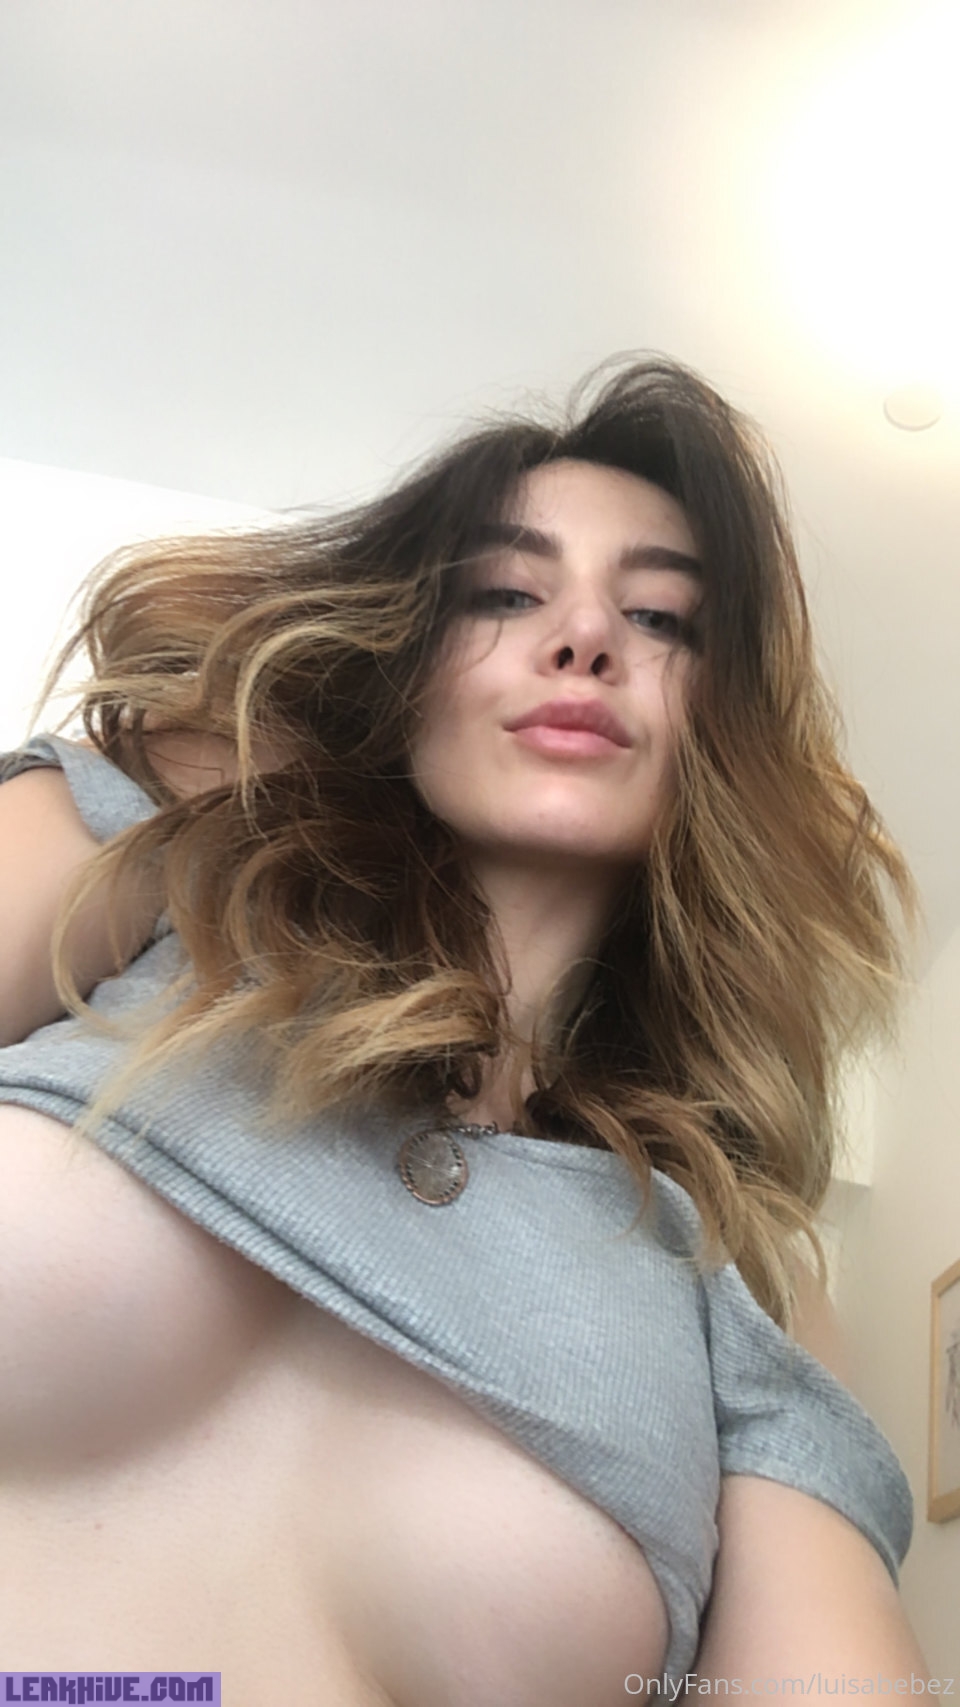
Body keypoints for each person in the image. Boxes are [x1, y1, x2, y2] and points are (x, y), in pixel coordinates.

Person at [0, 356, 930, 1703]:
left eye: (661, 617)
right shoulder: (154, 864)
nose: (587, 636)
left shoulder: (743, 1264)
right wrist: (244, 757)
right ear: (406, 657)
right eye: (502, 593)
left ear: (714, 730)